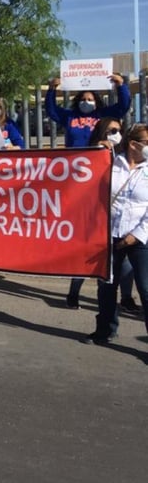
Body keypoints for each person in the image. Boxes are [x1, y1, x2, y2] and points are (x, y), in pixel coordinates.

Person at [65, 117, 139, 311]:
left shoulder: (124, 156)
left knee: (125, 264)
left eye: (119, 130)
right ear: (101, 132)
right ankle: (73, 293)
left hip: (118, 218)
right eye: (111, 131)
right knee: (87, 256)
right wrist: (97, 152)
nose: (115, 134)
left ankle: (126, 297)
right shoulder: (90, 152)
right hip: (93, 215)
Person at [84, 123, 148, 345]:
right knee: (106, 287)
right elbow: (86, 181)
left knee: (146, 288)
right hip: (109, 234)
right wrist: (95, 152)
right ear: (133, 144)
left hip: (140, 238)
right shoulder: (110, 162)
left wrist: (137, 234)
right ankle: (105, 330)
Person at [45, 74, 130, 148]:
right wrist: (52, 89)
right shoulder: (70, 116)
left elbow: (123, 106)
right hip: (74, 158)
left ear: (96, 103)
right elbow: (52, 110)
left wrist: (121, 86)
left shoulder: (103, 115)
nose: (86, 102)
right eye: (83, 99)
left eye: (90, 100)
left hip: (97, 157)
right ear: (78, 102)